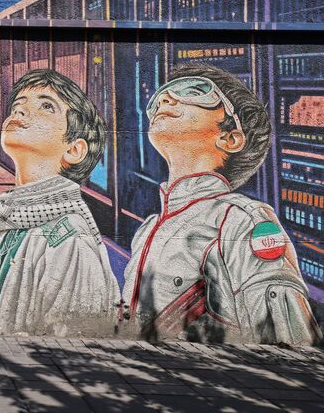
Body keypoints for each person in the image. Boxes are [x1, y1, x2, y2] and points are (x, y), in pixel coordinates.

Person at [122, 64, 322, 344]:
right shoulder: (147, 229)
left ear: (230, 138)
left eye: (193, 91)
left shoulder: (244, 221)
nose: (164, 100)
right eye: (160, 97)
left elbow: (291, 346)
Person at [0, 69, 120, 336]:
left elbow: (72, 348)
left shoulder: (68, 239)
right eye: (18, 105)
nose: (20, 112)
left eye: (46, 106)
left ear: (74, 150)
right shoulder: (17, 221)